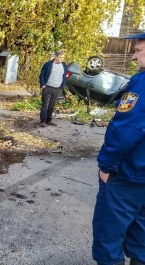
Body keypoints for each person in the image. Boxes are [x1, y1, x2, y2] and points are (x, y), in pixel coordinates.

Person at [93, 32, 145, 265]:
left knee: (108, 240)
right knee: (142, 241)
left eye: (139, 50)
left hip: (128, 177)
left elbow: (128, 128)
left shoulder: (142, 84)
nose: (134, 56)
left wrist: (107, 165)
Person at [38, 50, 68, 127]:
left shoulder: (64, 65)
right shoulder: (48, 64)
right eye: (60, 57)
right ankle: (43, 121)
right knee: (45, 105)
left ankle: (49, 120)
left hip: (58, 88)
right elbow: (42, 75)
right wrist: (43, 85)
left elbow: (64, 76)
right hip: (48, 87)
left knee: (52, 105)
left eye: (63, 57)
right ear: (56, 56)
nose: (62, 59)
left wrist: (62, 86)